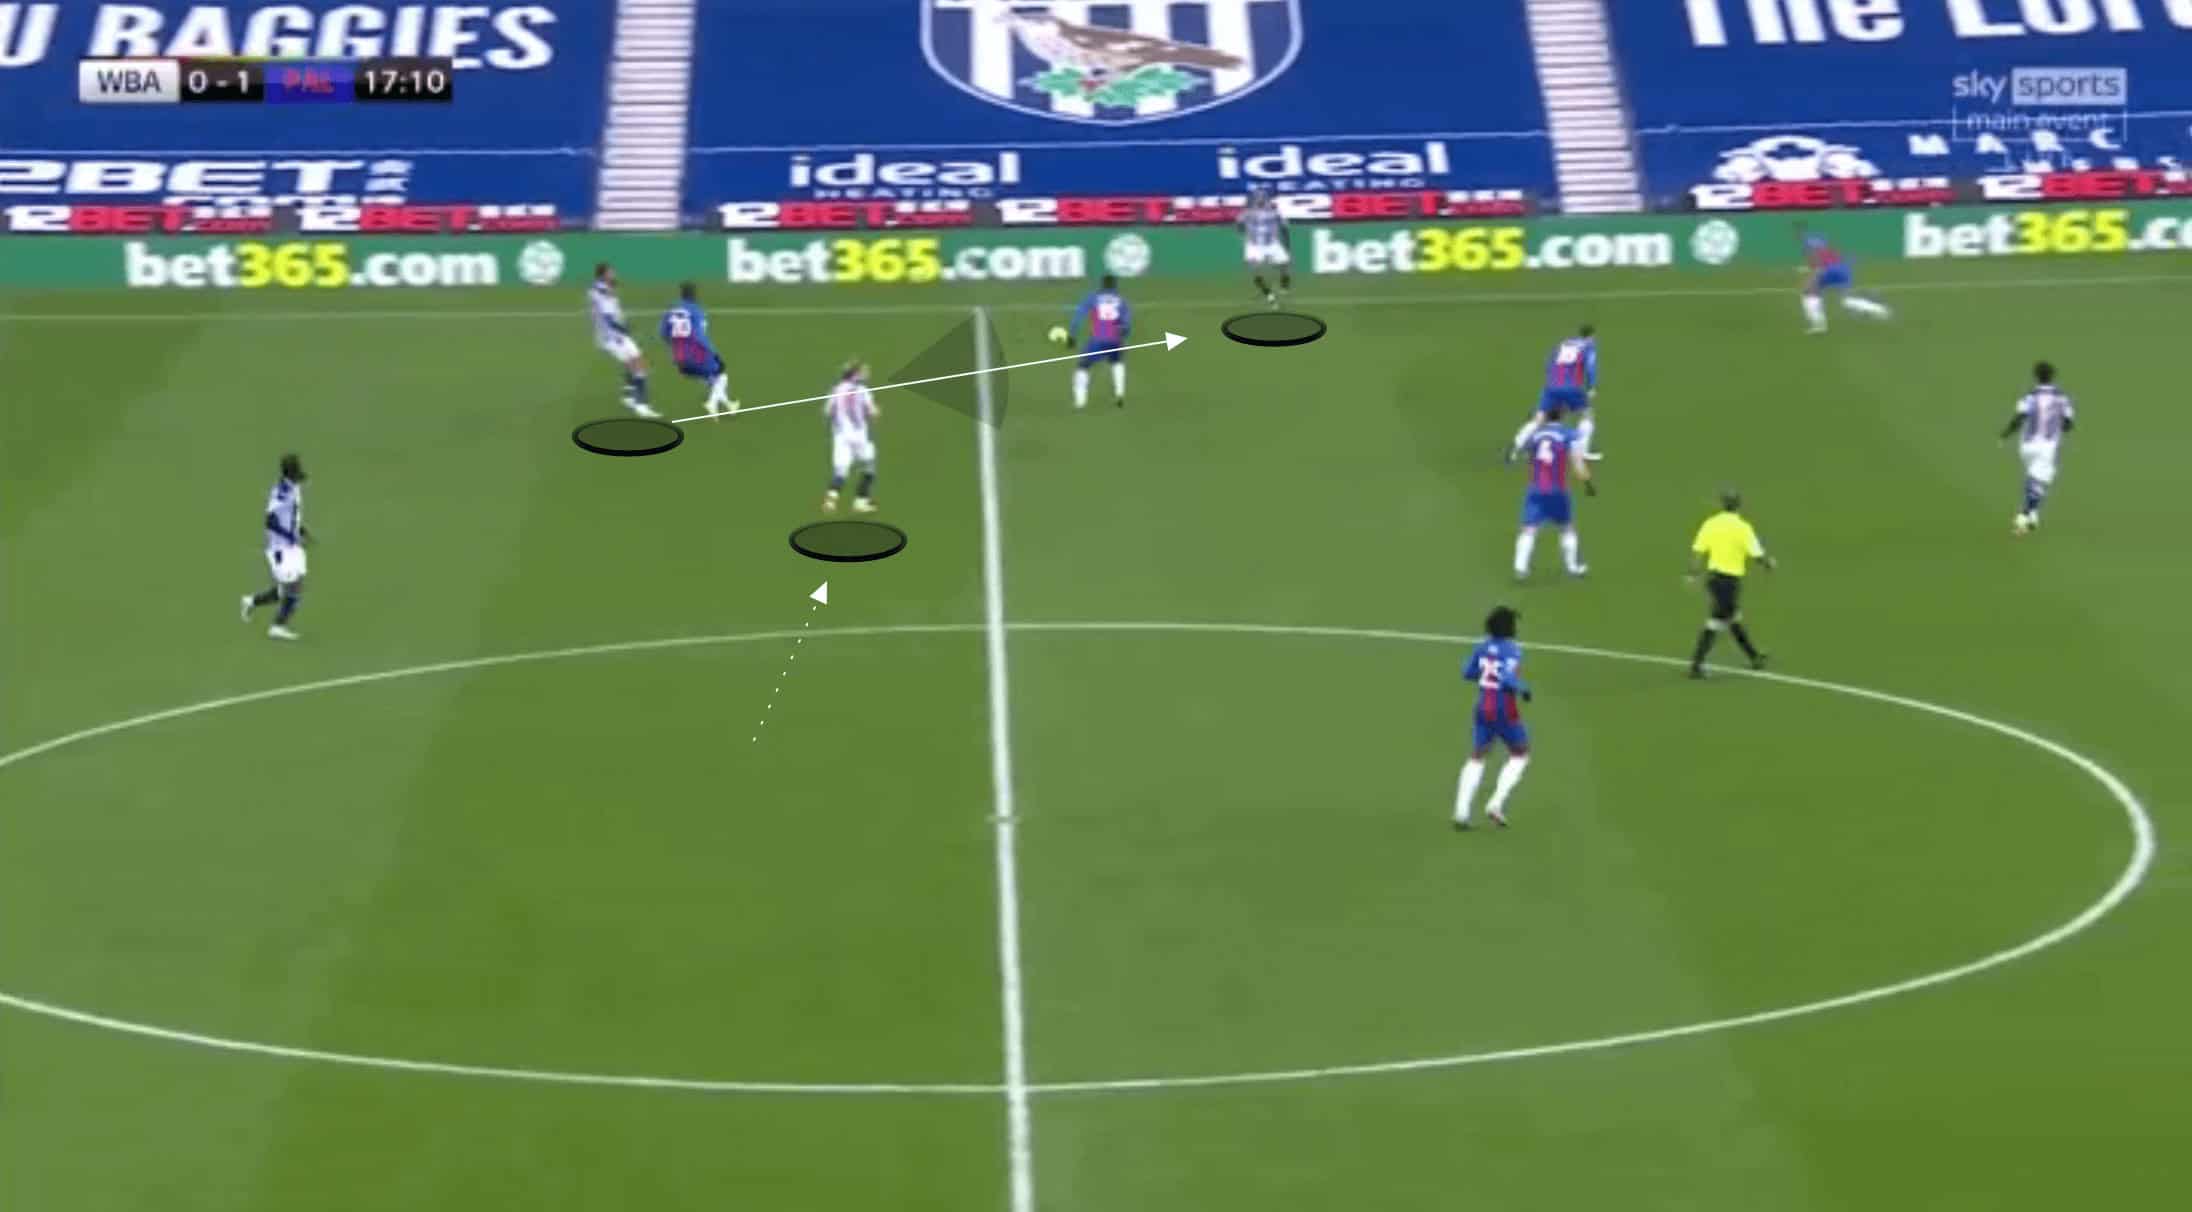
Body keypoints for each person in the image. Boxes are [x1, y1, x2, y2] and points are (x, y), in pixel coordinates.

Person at [1455, 605, 1533, 830]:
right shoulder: (1513, 650)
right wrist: (1523, 689)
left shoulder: (1482, 646)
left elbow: (1467, 672)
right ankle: (1496, 803)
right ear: (1508, 627)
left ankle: (1461, 812)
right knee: (1521, 753)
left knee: (1477, 756)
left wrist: (1486, 674)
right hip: (1504, 709)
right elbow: (1507, 677)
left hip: (1482, 707)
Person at [1686, 489, 1775, 678]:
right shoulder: (1743, 527)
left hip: (1714, 580)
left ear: (1722, 504)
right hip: (1729, 582)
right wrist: (1769, 564)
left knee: (1732, 618)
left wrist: (1693, 574)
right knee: (1718, 621)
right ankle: (1696, 666)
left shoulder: (1711, 524)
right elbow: (1756, 553)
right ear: (1739, 505)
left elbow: (1698, 550)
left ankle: (1754, 656)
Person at [1514, 403, 1595, 580]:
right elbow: (1577, 462)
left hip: (1536, 489)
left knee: (1529, 528)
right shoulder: (1568, 435)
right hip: (1558, 489)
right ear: (1563, 415)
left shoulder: (1535, 436)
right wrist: (1587, 482)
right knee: (1566, 527)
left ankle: (1520, 567)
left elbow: (1528, 455)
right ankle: (1572, 567)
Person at [239, 452, 310, 641]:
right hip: (281, 549)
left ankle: (251, 601)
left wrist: (300, 530)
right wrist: (289, 535)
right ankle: (277, 627)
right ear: (289, 474)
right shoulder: (281, 493)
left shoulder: (293, 487)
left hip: (292, 547)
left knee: (285, 590)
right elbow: (270, 521)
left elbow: (291, 515)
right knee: (293, 590)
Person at [2000, 360, 2075, 535]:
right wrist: (2059, 425)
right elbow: (2068, 423)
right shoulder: (2062, 398)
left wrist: (2005, 434)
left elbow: (2019, 418)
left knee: (2035, 478)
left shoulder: (2030, 396)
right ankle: (2023, 516)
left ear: (2036, 377)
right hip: (2048, 447)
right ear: (2052, 376)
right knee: (2038, 481)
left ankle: (2033, 515)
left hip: (2027, 446)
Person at [1508, 325, 1602, 462]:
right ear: (1591, 336)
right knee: (1587, 414)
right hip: (1571, 387)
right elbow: (1590, 367)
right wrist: (1591, 387)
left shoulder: (1563, 343)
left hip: (1552, 385)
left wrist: (1552, 380)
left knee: (1539, 418)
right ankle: (1581, 451)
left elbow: (1548, 362)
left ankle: (1516, 447)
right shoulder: (1589, 346)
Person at [1795, 223, 1893, 333]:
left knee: (1808, 292)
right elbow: (1826, 258)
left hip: (1831, 270)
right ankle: (1880, 310)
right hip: (1843, 270)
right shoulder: (1820, 243)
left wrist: (1814, 272)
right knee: (1846, 300)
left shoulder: (1808, 245)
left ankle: (1819, 326)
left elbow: (1817, 263)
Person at [660, 281, 738, 417]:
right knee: (721, 374)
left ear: (681, 294)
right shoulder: (696, 310)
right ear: (694, 295)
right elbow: (699, 336)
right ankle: (712, 404)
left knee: (711, 378)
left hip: (679, 358)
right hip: (695, 354)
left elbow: (663, 333)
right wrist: (714, 353)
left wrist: (674, 348)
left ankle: (729, 405)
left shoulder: (671, 310)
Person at [590, 262, 657, 417]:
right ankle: (642, 405)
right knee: (639, 365)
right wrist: (624, 329)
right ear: (604, 274)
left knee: (630, 363)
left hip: (608, 336)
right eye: (611, 272)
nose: (614, 274)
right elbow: (608, 318)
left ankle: (628, 396)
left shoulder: (598, 288)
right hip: (614, 336)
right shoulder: (604, 292)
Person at [1067, 273, 1131, 410]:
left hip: (1098, 339)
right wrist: (1124, 333)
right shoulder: (1121, 300)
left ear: (1102, 285)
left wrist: (1072, 335)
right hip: (1115, 340)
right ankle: (1119, 393)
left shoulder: (1093, 298)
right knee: (1117, 362)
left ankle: (1080, 401)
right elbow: (1127, 324)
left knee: (1083, 366)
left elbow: (1078, 316)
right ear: (1115, 285)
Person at [822, 360, 879, 514]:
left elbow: (828, 412)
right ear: (856, 374)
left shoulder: (836, 390)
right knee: (869, 467)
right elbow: (873, 413)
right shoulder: (863, 390)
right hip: (859, 436)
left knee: (840, 472)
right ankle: (861, 501)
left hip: (841, 437)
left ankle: (831, 499)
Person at [1238, 185, 1292, 306]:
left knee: (1284, 265)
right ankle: (1269, 295)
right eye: (1257, 197)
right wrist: (1243, 233)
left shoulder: (1274, 212)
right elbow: (1239, 224)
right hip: (1254, 245)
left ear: (1266, 198)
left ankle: (1284, 282)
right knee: (1255, 269)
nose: (1260, 199)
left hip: (1272, 243)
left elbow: (1284, 228)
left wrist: (1287, 246)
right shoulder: (1247, 213)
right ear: (1254, 198)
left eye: (1262, 196)